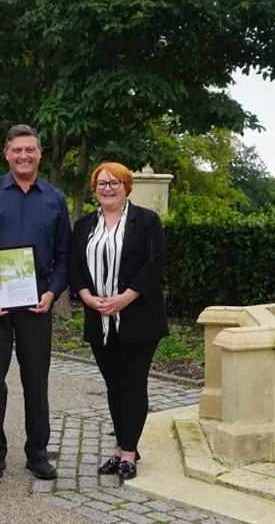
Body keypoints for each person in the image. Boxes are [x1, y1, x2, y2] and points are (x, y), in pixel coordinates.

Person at [0, 124, 71, 481]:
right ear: (6, 154)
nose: (24, 156)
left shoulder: (54, 198)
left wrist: (53, 292)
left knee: (35, 379)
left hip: (36, 299)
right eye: (17, 150)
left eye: (30, 150)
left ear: (39, 153)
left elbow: (65, 255)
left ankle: (37, 453)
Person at [68, 162, 166, 481]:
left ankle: (127, 452)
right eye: (100, 183)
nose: (107, 188)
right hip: (99, 320)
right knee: (114, 386)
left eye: (114, 182)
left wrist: (124, 298)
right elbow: (74, 265)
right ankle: (125, 447)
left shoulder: (146, 221)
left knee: (133, 385)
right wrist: (86, 296)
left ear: (127, 186)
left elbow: (153, 265)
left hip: (138, 318)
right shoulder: (84, 225)